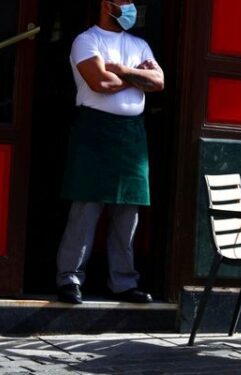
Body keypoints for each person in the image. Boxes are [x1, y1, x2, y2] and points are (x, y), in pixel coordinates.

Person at [56, 0, 164, 304]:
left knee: (128, 213)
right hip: (94, 131)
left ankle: (124, 282)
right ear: (106, 4)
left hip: (132, 137)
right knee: (85, 210)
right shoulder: (86, 40)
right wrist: (135, 77)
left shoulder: (140, 44)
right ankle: (70, 279)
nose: (130, 7)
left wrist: (120, 69)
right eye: (124, 1)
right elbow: (99, 81)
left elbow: (158, 81)